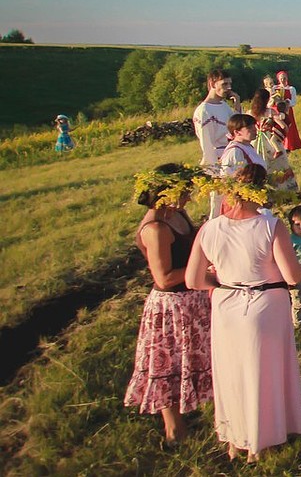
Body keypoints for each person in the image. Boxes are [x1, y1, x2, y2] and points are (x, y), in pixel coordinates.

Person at [185, 164, 301, 462]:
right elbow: (292, 275)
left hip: (226, 306)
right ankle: (258, 440)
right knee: (262, 373)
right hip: (265, 306)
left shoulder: (210, 228)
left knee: (232, 373)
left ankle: (234, 437)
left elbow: (192, 280)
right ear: (261, 189)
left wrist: (222, 282)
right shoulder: (271, 226)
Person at [125, 164, 213, 443]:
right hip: (172, 306)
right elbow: (163, 278)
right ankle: (174, 429)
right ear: (166, 193)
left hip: (193, 299)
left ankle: (196, 410)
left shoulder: (176, 214)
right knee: (171, 364)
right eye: (185, 192)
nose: (189, 197)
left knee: (192, 359)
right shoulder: (156, 228)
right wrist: (207, 273)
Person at [249, 89, 296, 191]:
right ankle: (282, 189)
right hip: (269, 140)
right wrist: (284, 132)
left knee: (258, 165)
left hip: (255, 141)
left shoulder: (250, 113)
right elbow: (283, 126)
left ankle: (260, 190)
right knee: (278, 164)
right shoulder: (270, 112)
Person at [193, 69, 239, 171]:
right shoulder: (204, 111)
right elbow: (207, 143)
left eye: (230, 84)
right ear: (213, 84)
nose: (229, 88)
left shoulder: (224, 105)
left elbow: (238, 126)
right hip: (219, 159)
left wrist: (237, 103)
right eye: (224, 84)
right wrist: (214, 168)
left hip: (232, 155)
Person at [274, 70, 301, 152]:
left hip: (287, 110)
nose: (282, 80)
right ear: (278, 79)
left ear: (287, 78)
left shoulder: (291, 89)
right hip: (277, 110)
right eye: (281, 78)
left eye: (284, 78)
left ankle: (288, 145)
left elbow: (293, 101)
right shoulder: (275, 88)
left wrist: (287, 101)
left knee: (288, 127)